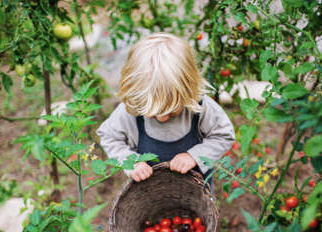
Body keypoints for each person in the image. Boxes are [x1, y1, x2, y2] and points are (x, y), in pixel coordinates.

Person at [96, 32, 235, 188]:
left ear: (188, 91)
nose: (162, 118)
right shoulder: (133, 108)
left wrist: (194, 156)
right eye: (153, 113)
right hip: (149, 195)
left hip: (196, 195)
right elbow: (109, 136)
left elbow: (224, 135)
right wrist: (131, 162)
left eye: (172, 111)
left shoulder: (200, 106)